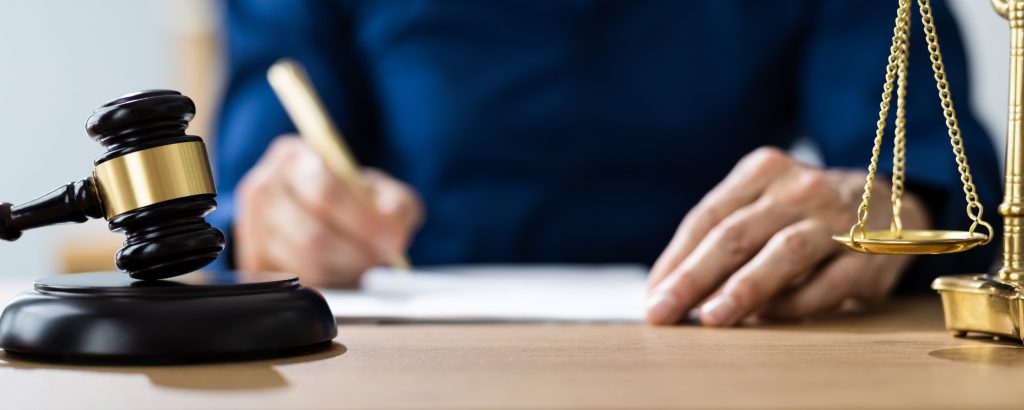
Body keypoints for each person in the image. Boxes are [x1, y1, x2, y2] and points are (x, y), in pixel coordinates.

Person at [212, 0, 1000, 327]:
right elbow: (255, 183)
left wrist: (887, 201)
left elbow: (932, 164)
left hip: (723, 342)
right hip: (404, 359)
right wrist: (276, 219)